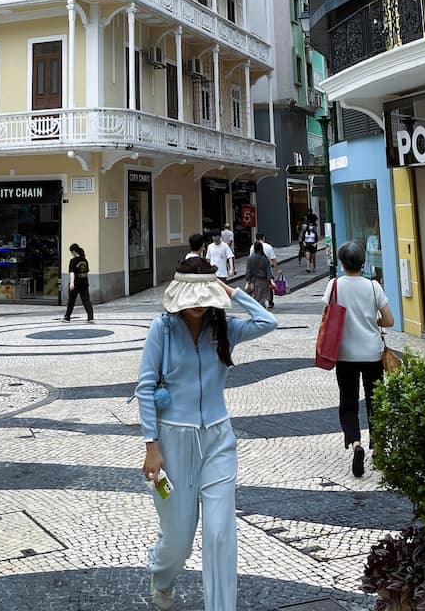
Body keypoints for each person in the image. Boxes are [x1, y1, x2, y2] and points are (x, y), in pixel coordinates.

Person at [136, 257, 277, 611]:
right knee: (178, 541)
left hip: (218, 441)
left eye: (205, 293)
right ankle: (161, 576)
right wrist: (152, 446)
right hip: (173, 442)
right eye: (192, 294)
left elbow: (267, 321)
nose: (198, 302)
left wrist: (233, 292)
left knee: (219, 534)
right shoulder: (162, 329)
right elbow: (144, 388)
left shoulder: (223, 328)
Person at [324, 240, 394, 478]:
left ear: (342, 263)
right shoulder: (374, 287)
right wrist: (372, 322)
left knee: (348, 401)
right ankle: (379, 447)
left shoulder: (334, 285)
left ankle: (355, 444)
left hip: (345, 354)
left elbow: (328, 318)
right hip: (372, 353)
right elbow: (389, 320)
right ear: (363, 263)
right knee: (376, 400)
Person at [63, 242, 93, 322]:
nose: (71, 254)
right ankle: (90, 317)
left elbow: (72, 272)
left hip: (76, 283)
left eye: (71, 252)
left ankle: (67, 317)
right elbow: (86, 272)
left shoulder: (73, 261)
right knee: (86, 300)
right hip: (84, 283)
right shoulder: (85, 260)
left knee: (71, 301)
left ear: (73, 251)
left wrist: (72, 283)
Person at [245, 241, 274, 309]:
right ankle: (262, 311)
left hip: (254, 281)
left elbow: (248, 271)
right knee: (262, 299)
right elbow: (268, 271)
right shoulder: (264, 258)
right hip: (263, 281)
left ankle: (257, 311)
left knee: (256, 297)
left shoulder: (251, 258)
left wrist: (247, 283)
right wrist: (272, 281)